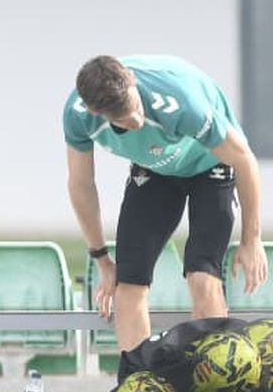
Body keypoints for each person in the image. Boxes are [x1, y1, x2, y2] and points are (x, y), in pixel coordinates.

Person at [64, 54, 266, 350]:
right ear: (99, 113)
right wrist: (102, 259)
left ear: (132, 81)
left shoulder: (181, 103)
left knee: (202, 274)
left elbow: (245, 160)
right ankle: (138, 385)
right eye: (123, 121)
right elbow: (80, 184)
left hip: (210, 164)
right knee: (129, 283)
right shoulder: (79, 115)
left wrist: (252, 239)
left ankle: (213, 384)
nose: (136, 121)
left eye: (136, 109)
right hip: (155, 169)